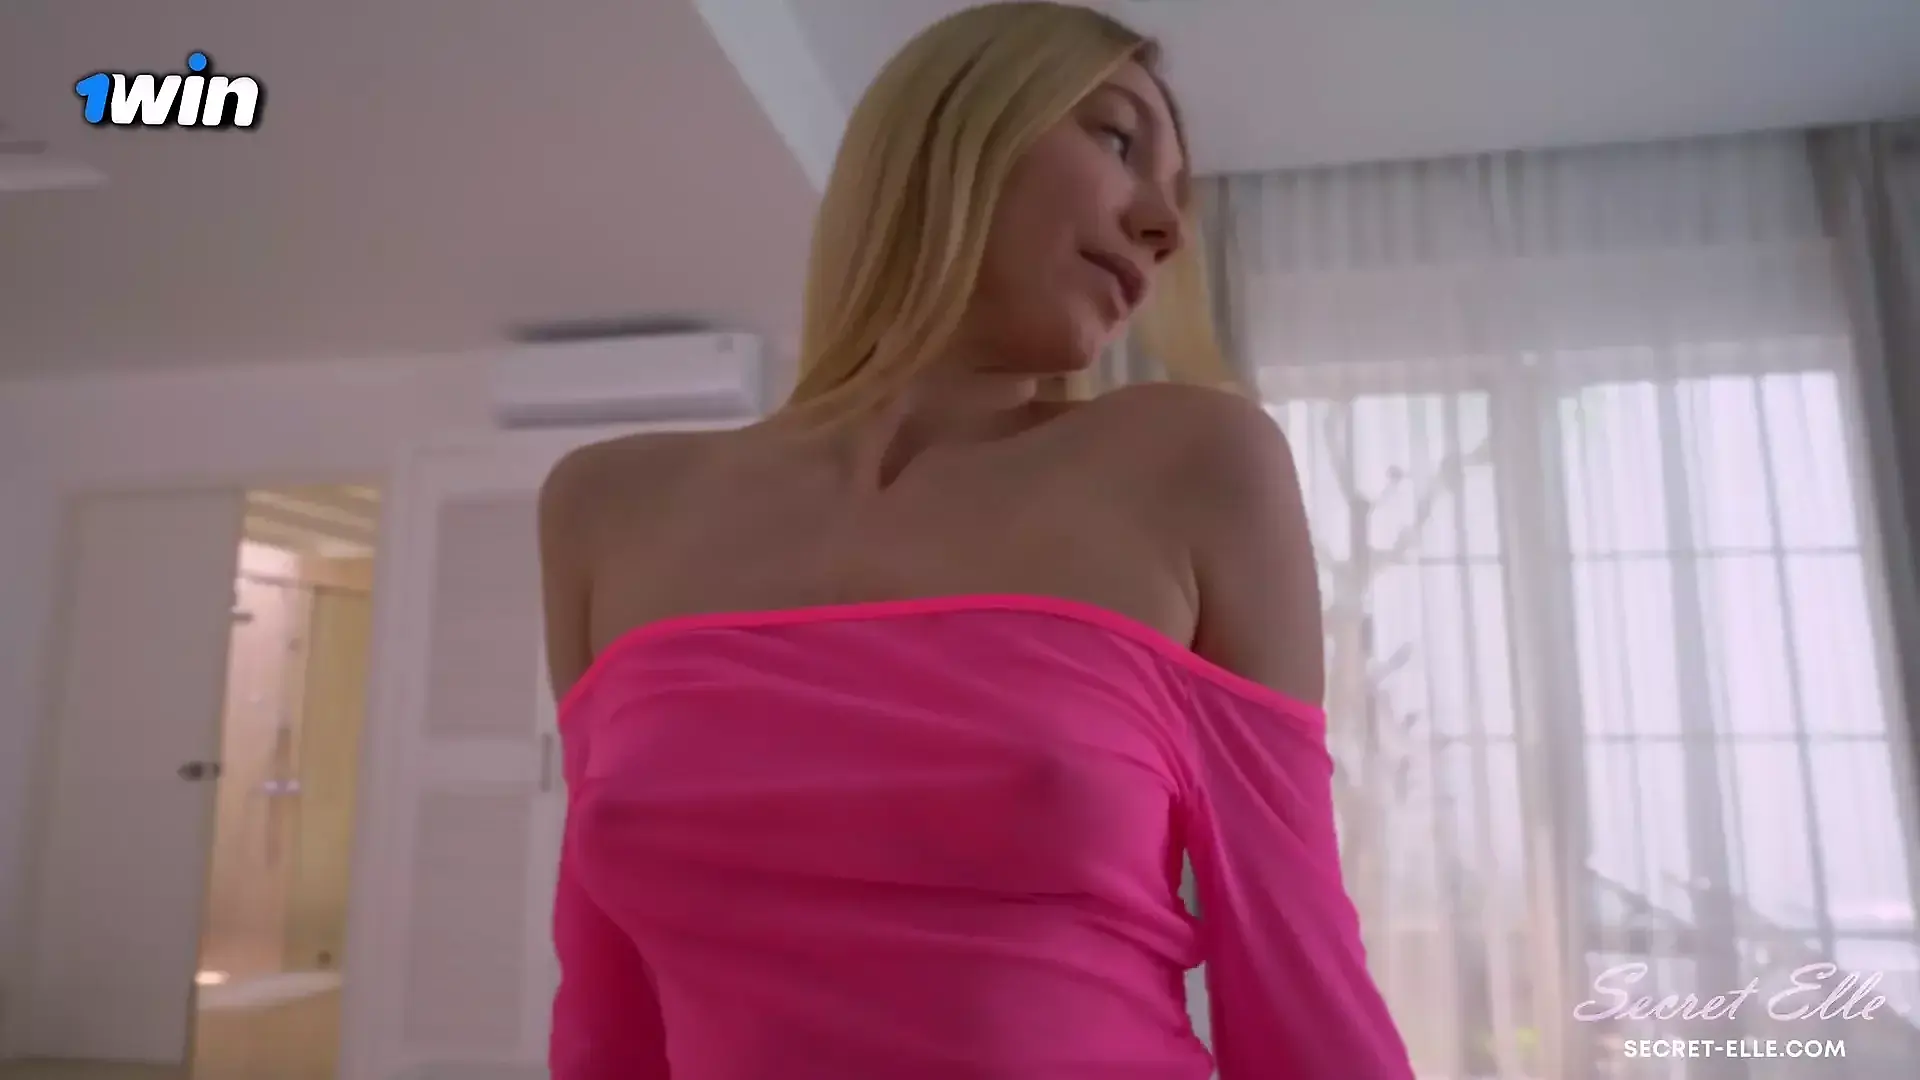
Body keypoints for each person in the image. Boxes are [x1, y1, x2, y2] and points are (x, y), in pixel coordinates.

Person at [536, 2, 1413, 1076]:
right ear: (947, 134)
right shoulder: (607, 507)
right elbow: (607, 1007)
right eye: (1118, 139)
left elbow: (1297, 970)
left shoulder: (1192, 464)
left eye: (1176, 198)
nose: (1165, 227)